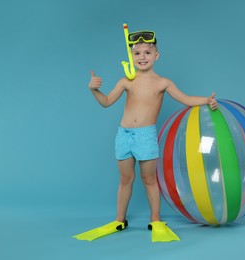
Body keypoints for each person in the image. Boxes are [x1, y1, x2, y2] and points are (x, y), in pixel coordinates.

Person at [74, 30, 217, 242]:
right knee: (125, 179)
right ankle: (119, 220)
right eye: (137, 53)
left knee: (149, 179)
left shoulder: (163, 83)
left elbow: (186, 99)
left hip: (145, 137)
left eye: (147, 52)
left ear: (156, 56)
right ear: (131, 57)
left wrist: (207, 100)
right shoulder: (126, 81)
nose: (142, 57)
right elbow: (106, 103)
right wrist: (93, 90)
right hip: (124, 135)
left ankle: (156, 219)